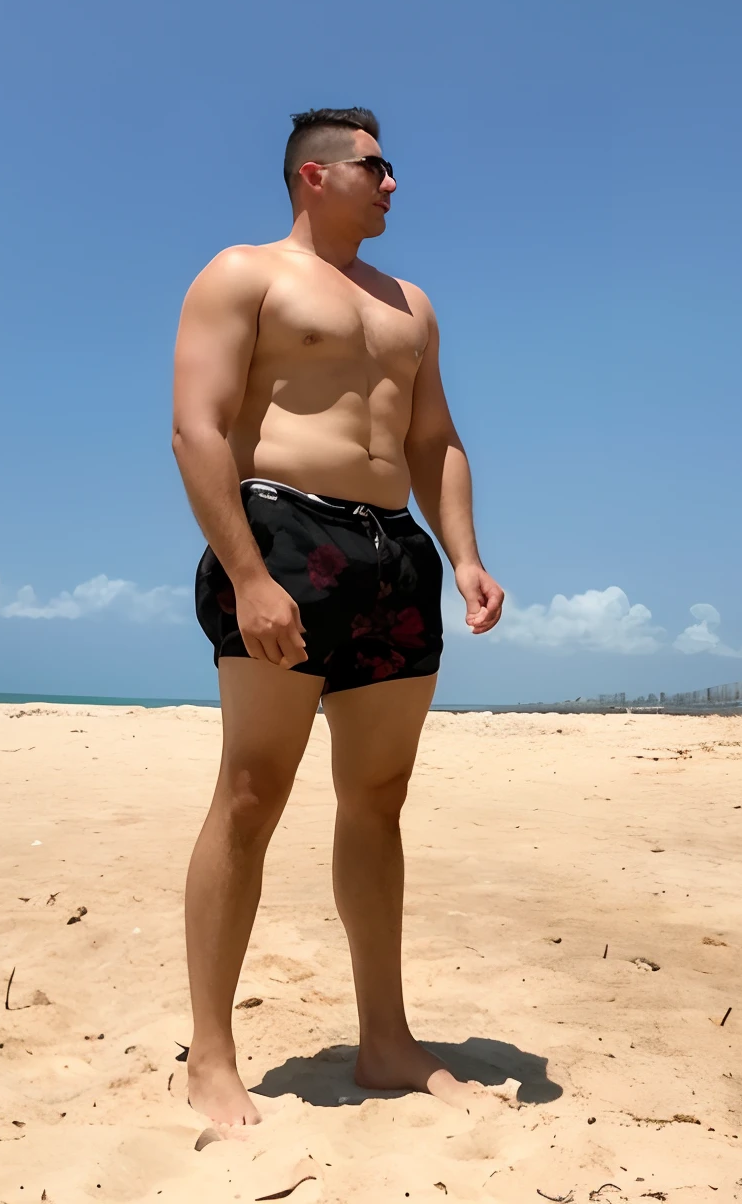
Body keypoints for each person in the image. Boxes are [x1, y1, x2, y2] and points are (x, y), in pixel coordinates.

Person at [171, 107, 504, 1127]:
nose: (393, 182)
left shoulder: (412, 306)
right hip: (282, 534)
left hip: (393, 555)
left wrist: (465, 554)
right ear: (315, 178)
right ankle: (212, 1055)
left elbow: (436, 438)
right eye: (376, 165)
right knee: (251, 791)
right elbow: (197, 427)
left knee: (379, 798)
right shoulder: (244, 274)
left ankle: (385, 1040)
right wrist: (247, 573)